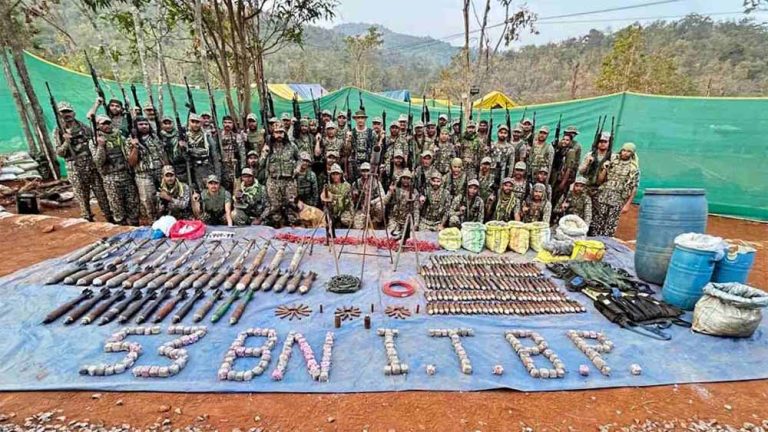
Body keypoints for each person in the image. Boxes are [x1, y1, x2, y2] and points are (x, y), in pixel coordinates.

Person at [53, 101, 113, 222]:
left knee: (101, 194)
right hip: (75, 168)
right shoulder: (59, 131)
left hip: (91, 166)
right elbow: (59, 153)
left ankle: (109, 218)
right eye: (63, 112)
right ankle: (88, 220)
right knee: (82, 197)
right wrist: (66, 142)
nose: (66, 114)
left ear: (73, 113)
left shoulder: (83, 127)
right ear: (59, 115)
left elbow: (94, 141)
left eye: (68, 111)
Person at [91, 115, 139, 225]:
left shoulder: (120, 137)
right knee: (117, 207)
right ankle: (122, 229)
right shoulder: (94, 141)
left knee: (133, 205)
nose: (107, 126)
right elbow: (98, 162)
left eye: (108, 123)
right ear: (98, 126)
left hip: (126, 175)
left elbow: (129, 157)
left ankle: (135, 226)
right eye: (103, 124)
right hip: (110, 178)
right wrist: (101, 146)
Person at [591, 142, 640, 237]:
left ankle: (606, 242)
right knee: (597, 221)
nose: (625, 153)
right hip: (603, 195)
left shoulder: (633, 168)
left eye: (628, 151)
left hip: (618, 199)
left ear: (632, 153)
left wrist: (627, 204)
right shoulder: (612, 161)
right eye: (624, 150)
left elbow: (634, 187)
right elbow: (600, 180)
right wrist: (604, 168)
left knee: (610, 224)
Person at [127, 116, 168, 221]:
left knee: (165, 197)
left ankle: (167, 219)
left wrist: (167, 168)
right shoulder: (130, 141)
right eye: (141, 124)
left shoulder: (154, 138)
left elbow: (162, 154)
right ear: (135, 127)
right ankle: (153, 221)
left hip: (159, 172)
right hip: (143, 175)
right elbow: (131, 162)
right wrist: (135, 147)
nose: (144, 126)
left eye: (146, 124)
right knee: (149, 201)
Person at [260, 123, 300, 227]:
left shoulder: (292, 146)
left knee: (291, 206)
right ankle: (277, 227)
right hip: (274, 181)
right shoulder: (268, 146)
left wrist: (297, 168)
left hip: (289, 181)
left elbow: (299, 159)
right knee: (275, 207)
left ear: (284, 133)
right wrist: (264, 154)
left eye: (281, 132)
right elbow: (260, 164)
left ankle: (293, 227)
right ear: (273, 134)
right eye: (277, 132)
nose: (279, 135)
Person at [383, 168, 419, 238]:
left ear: (411, 180)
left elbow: (416, 209)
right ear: (401, 179)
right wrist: (390, 192)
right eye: (404, 178)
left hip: (407, 221)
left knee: (410, 238)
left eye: (408, 179)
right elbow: (384, 202)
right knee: (390, 236)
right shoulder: (396, 189)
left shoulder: (414, 192)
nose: (406, 180)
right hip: (395, 219)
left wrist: (416, 224)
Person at [186, 113, 218, 192]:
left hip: (207, 168)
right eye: (193, 122)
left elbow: (214, 156)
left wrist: (217, 175)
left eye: (197, 122)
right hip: (192, 170)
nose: (195, 124)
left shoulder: (206, 136)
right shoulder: (186, 137)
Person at [579, 132, 612, 203]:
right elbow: (581, 171)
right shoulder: (590, 155)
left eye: (605, 142)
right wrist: (587, 163)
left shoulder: (612, 157)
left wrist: (606, 168)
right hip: (587, 186)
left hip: (602, 189)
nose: (602, 144)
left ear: (609, 143)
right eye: (600, 141)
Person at [351, 162, 385, 229]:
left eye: (367, 171)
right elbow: (352, 200)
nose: (365, 173)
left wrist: (372, 202)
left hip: (373, 206)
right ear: (360, 172)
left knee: (380, 206)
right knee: (357, 227)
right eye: (363, 171)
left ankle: (375, 222)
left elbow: (382, 195)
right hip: (362, 208)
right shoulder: (356, 183)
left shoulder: (375, 182)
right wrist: (354, 196)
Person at [551, 134, 582, 206]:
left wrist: (563, 183)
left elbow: (569, 168)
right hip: (555, 177)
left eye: (567, 140)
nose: (564, 141)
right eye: (563, 139)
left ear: (570, 142)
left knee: (557, 198)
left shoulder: (571, 152)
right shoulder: (560, 150)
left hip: (562, 179)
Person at [320, 164, 353, 228]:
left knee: (347, 221)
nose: (335, 176)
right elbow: (323, 201)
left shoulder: (347, 186)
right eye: (333, 174)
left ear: (340, 175)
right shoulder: (327, 187)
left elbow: (350, 202)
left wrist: (352, 214)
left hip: (344, 210)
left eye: (337, 174)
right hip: (331, 211)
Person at [158, 116, 189, 184]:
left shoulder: (180, 134)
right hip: (168, 165)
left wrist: (183, 146)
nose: (168, 126)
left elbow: (188, 149)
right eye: (165, 124)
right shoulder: (159, 136)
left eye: (170, 123)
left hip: (181, 165)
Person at [219, 115, 245, 192]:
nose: (227, 124)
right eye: (225, 122)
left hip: (234, 167)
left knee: (236, 189)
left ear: (233, 124)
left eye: (230, 122)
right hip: (222, 167)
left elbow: (242, 153)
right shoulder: (218, 136)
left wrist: (242, 168)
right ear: (222, 123)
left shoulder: (237, 137)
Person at [349, 110, 375, 178]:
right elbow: (348, 149)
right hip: (355, 162)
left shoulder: (371, 132)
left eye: (362, 118)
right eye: (358, 118)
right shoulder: (351, 132)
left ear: (365, 119)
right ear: (355, 119)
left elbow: (374, 148)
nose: (360, 120)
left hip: (368, 161)